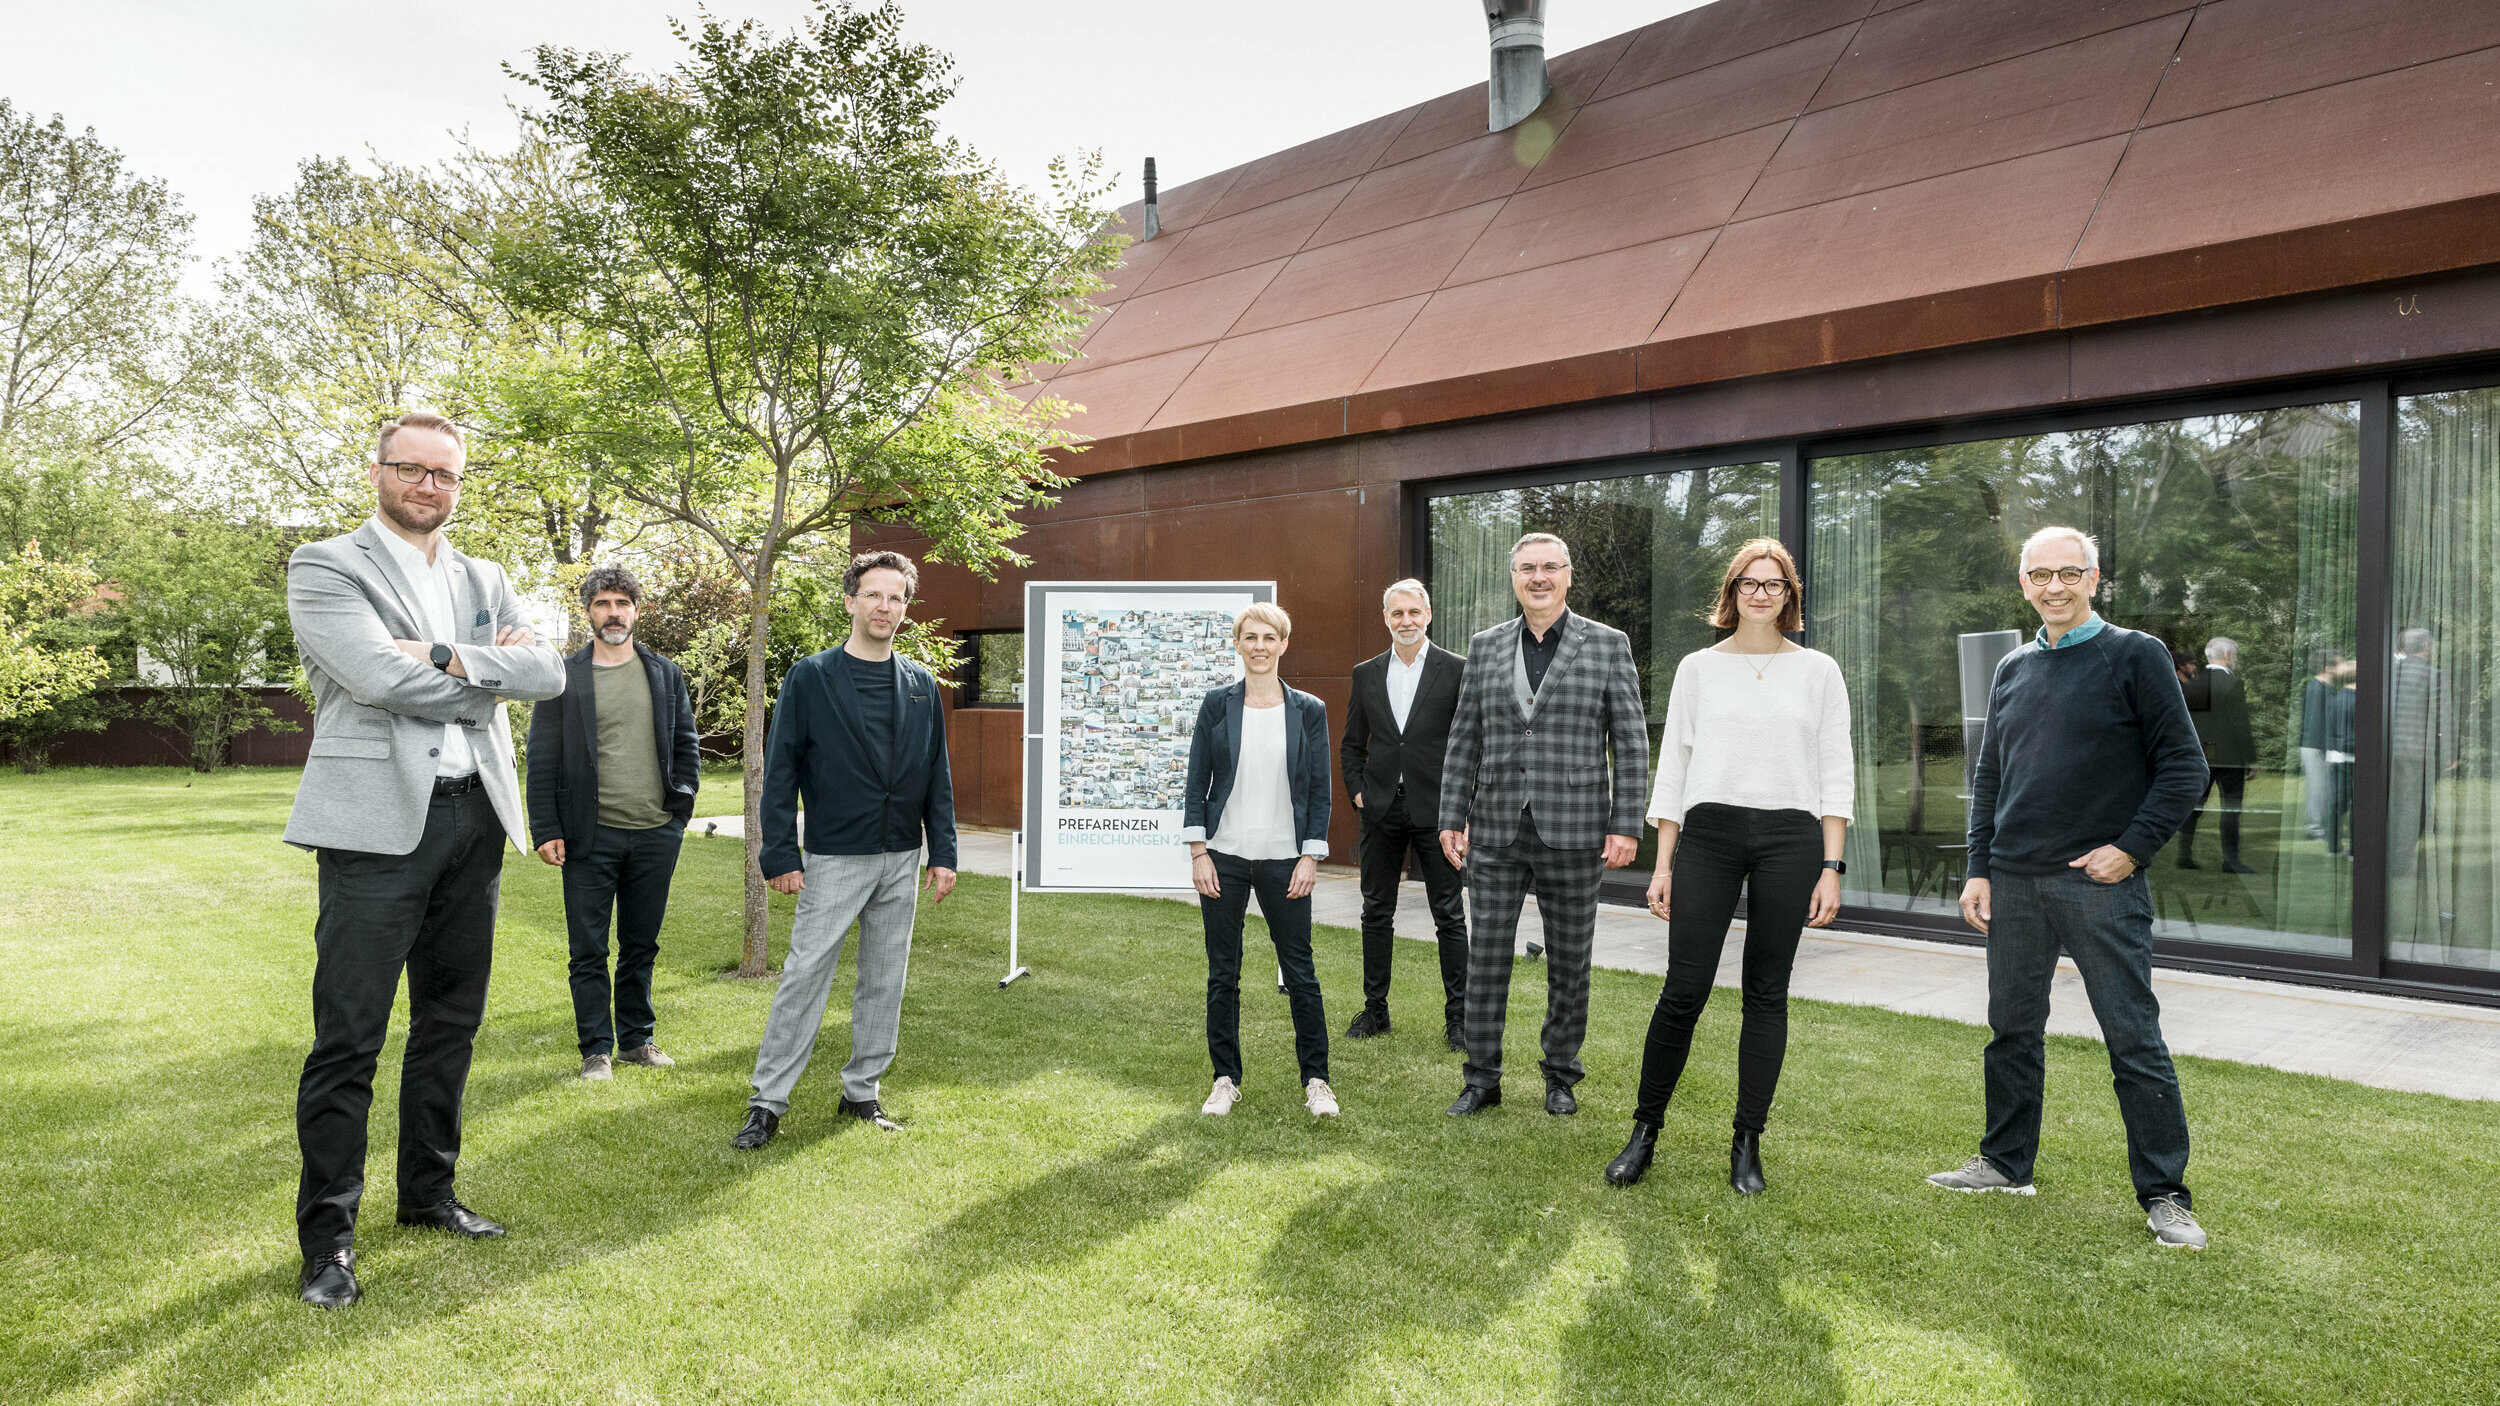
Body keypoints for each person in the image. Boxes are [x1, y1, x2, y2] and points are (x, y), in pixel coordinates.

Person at [282, 411, 567, 1309]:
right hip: (373, 832)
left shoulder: (486, 576)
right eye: (411, 469)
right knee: (349, 1040)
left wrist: (445, 653)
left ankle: (429, 1194)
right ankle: (328, 1245)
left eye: (445, 474)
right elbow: (376, 678)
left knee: (450, 1024)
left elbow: (551, 674)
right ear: (379, 471)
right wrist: (489, 678)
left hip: (474, 820)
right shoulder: (327, 565)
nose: (428, 487)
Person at [1929, 526, 2211, 1251]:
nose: (2054, 586)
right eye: (2039, 575)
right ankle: (2005, 1163)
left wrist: (2131, 848)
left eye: (2068, 573)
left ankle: (2165, 1195)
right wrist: (1979, 867)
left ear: (2094, 579)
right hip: (2016, 883)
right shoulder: (2014, 668)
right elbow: (1990, 776)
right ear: (2023, 583)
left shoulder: (2136, 655)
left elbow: (2185, 766)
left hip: (2098, 885)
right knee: (2011, 1031)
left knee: (2133, 1039)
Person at [1604, 539, 1851, 1195]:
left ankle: (1747, 1143)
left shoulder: (1820, 671)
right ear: (1732, 591)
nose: (1762, 593)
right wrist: (1664, 863)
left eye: (1774, 584)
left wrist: (1832, 866)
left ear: (1789, 595)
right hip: (1709, 833)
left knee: (1766, 994)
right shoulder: (1697, 669)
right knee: (1683, 990)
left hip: (1792, 836)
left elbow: (1835, 772)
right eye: (1750, 582)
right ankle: (1644, 1131)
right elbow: (1675, 768)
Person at [733, 551, 957, 1148]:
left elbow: (937, 773)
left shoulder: (920, 684)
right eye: (875, 595)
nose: (886, 607)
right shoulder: (811, 677)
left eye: (897, 598)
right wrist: (780, 853)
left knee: (884, 979)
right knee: (805, 977)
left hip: (900, 857)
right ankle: (767, 1102)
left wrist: (944, 853)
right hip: (833, 856)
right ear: (852, 600)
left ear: (905, 608)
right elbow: (779, 771)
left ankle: (863, 1092)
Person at [1438, 532, 1649, 1119]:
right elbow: (1464, 739)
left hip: (1576, 828)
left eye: (1550, 567)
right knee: (1486, 959)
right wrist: (1451, 816)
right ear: (1514, 578)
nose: (1539, 577)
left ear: (1567, 576)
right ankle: (1481, 1078)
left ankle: (1561, 1075)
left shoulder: (1607, 646)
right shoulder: (1485, 647)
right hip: (1498, 828)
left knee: (1569, 959)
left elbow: (1630, 743)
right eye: (1527, 568)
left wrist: (1626, 822)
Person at [526, 565, 702, 1080]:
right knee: (588, 949)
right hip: (589, 835)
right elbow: (543, 759)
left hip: (655, 832)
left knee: (641, 944)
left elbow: (685, 744)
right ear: (589, 613)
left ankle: (637, 1040)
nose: (613, 613)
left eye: (622, 603)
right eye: (603, 604)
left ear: (636, 610)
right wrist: (547, 828)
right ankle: (595, 1051)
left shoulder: (664, 673)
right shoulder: (566, 676)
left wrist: (680, 809)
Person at [1185, 602, 1338, 1119]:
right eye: (1249, 637)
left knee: (1300, 972)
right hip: (1224, 857)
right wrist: (1199, 851)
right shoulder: (1215, 705)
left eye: (1268, 637)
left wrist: (1310, 856)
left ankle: (1316, 1080)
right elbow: (1196, 782)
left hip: (1285, 861)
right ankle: (1224, 1078)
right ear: (1237, 644)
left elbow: (1320, 790)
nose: (1259, 646)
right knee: (1222, 974)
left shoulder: (1309, 710)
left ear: (1283, 644)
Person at [1339, 579, 1470, 1051]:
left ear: (1428, 614)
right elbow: (1352, 744)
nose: (1406, 621)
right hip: (1379, 811)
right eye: (1397, 613)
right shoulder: (1366, 673)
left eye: (1414, 612)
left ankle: (1459, 1019)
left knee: (1449, 915)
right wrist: (1358, 792)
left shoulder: (1457, 670)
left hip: (1440, 813)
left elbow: (1470, 745)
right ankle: (1376, 1011)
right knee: (1376, 912)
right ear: (1386, 617)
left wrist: (1464, 809)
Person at [2176, 637, 2256, 874]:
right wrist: (2251, 757)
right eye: (2236, 655)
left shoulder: (2194, 684)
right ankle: (2231, 860)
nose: (2236, 659)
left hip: (2201, 754)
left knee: (2195, 806)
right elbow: (2240, 723)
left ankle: (2184, 854)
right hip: (2229, 756)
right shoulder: (2232, 684)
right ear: (2228, 656)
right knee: (2231, 808)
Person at [2388, 628, 2456, 880]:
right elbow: (2444, 717)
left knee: (2391, 805)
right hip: (2416, 752)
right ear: (2427, 646)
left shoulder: (2390, 671)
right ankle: (2399, 864)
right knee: (2411, 807)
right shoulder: (2434, 675)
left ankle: (2384, 858)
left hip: (2387, 749)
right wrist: (2449, 753)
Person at [2296, 649, 2343, 842]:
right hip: (2315, 745)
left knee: (2326, 787)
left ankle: (2321, 826)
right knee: (2318, 788)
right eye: (2340, 664)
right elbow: (2317, 724)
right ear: (2328, 668)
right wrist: (2329, 751)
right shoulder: (2316, 689)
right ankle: (2315, 829)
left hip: (2320, 745)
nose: (2344, 667)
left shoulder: (2327, 689)